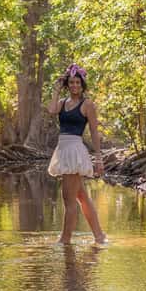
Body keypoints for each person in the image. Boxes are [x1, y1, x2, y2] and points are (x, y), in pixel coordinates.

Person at [46, 63, 107, 244]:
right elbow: (51, 110)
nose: (74, 86)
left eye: (77, 83)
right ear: (68, 85)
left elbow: (95, 132)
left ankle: (65, 240)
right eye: (71, 83)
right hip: (63, 148)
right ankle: (99, 236)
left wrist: (98, 159)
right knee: (81, 196)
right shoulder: (63, 103)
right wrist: (56, 89)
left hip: (74, 150)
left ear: (82, 86)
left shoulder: (87, 104)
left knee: (68, 199)